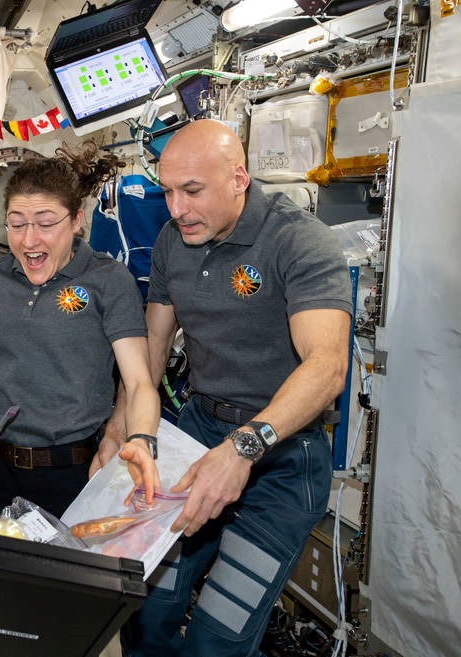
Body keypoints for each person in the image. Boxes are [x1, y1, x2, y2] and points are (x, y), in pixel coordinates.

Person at [118, 119, 352, 657]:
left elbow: (326, 367)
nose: (176, 208)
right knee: (145, 608)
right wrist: (125, 432)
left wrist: (243, 448)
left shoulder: (298, 241)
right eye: (168, 192)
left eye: (192, 191)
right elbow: (149, 356)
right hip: (200, 434)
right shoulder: (172, 242)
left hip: (283, 459)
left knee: (216, 638)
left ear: (240, 178)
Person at [0, 142, 161, 520]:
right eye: (17, 223)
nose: (29, 240)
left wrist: (140, 440)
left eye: (45, 223)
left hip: (74, 471)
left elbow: (139, 381)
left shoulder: (108, 281)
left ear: (76, 221)